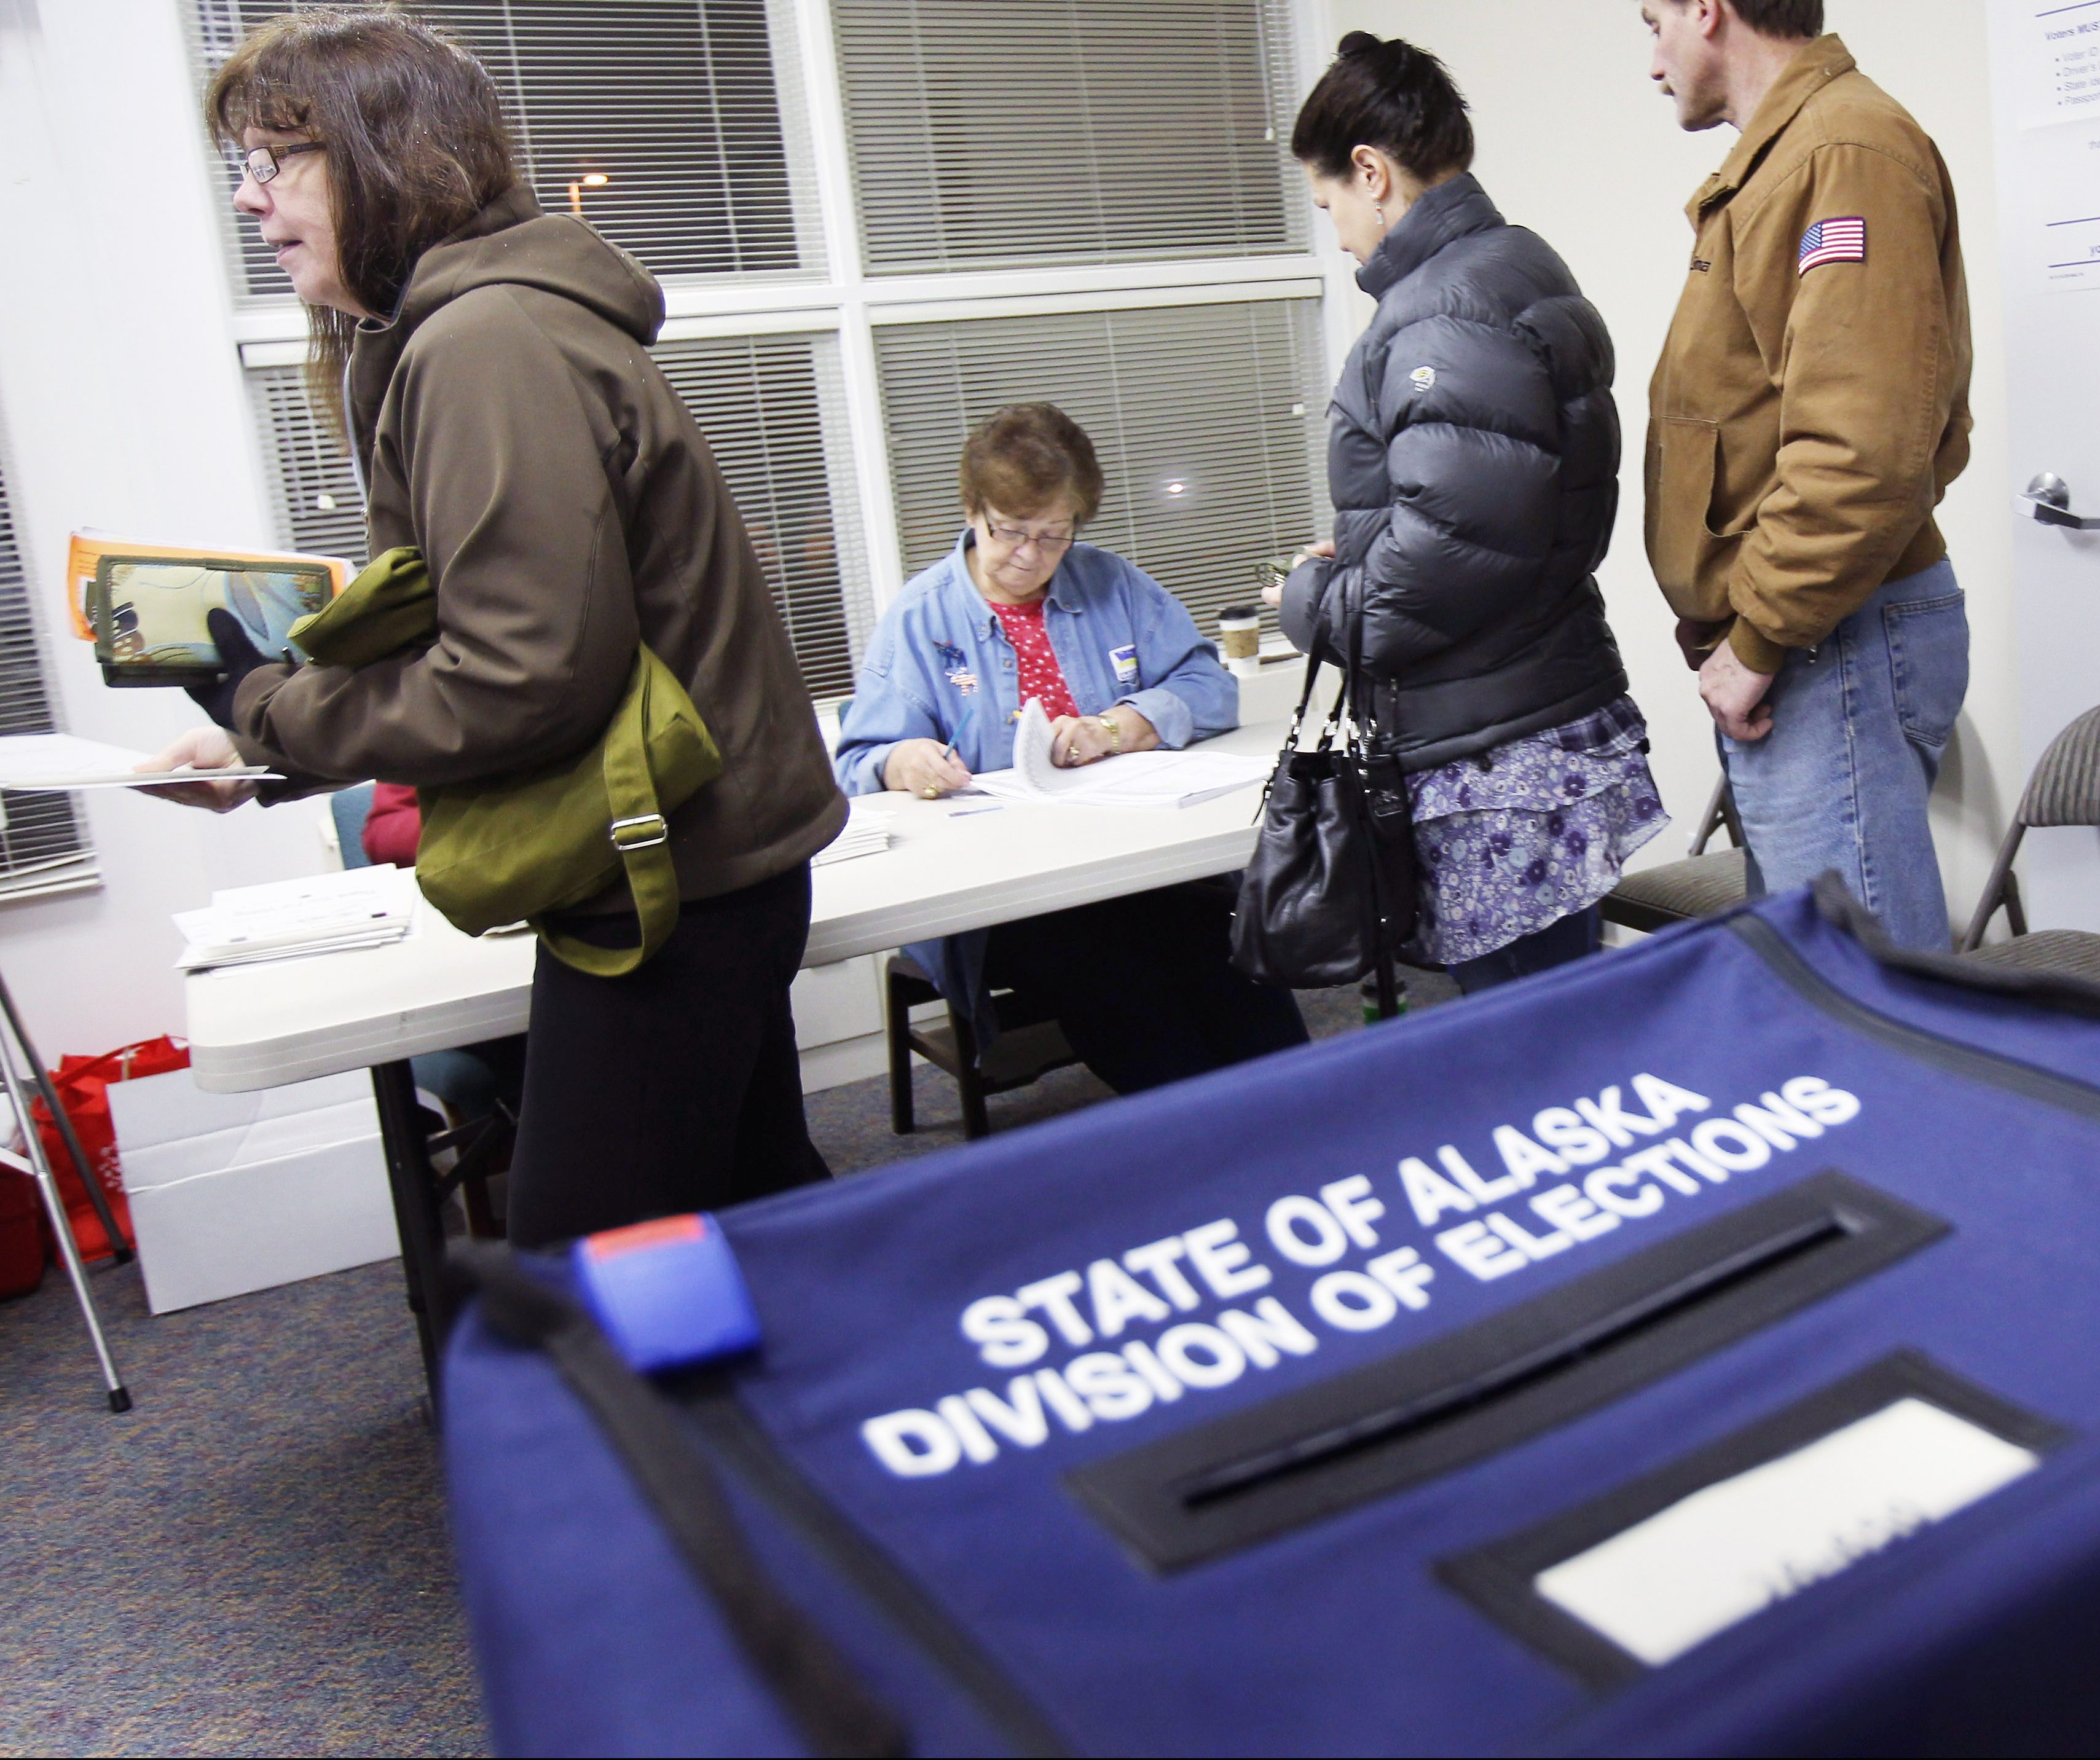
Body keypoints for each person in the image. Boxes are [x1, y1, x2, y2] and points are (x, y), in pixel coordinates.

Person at [153, 8, 847, 1246]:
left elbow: (524, 676)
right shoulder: (476, 328)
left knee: (592, 1264)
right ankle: (847, 1427)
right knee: (746, 1226)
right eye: (245, 169)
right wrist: (268, 747)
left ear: (384, 157)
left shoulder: (488, 343)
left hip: (664, 871)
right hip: (687, 855)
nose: (254, 203)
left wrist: (272, 711)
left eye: (278, 162)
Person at [1272, 33, 1666, 994]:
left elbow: (1447, 558)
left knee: (1528, 1061)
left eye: (1328, 204)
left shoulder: (1440, 308)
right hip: (1539, 707)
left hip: (1495, 757)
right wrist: (1369, 543)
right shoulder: (1511, 265)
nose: (1335, 232)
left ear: (1371, 172)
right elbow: (1491, 517)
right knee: (1567, 1036)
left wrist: (1312, 595)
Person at [833, 403, 1311, 1091]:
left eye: (1054, 535)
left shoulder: (1111, 582)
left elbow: (1207, 683)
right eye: (1010, 531)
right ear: (972, 509)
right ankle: (1202, 1132)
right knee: (1113, 970)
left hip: (1136, 858)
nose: (1030, 556)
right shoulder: (921, 616)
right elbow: (858, 762)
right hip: (1012, 894)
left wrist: (1118, 725)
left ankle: (1302, 1108)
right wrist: (902, 759)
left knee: (1219, 941)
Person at [1638, 0, 1974, 951]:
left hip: (1827, 638)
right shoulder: (1797, 157)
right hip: (1811, 636)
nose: (1652, 60)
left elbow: (1859, 448)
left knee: (1866, 995)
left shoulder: (1844, 151)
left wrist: (1760, 640)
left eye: (1654, 22)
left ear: (1707, 11)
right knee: (1828, 983)